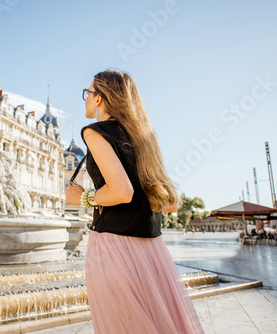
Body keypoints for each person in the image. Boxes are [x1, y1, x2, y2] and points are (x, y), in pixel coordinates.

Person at [66, 70, 204, 333]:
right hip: (152, 250)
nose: (85, 98)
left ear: (99, 99)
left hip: (113, 245)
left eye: (88, 93)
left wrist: (82, 197)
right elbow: (170, 203)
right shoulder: (145, 137)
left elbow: (121, 192)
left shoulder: (94, 132)